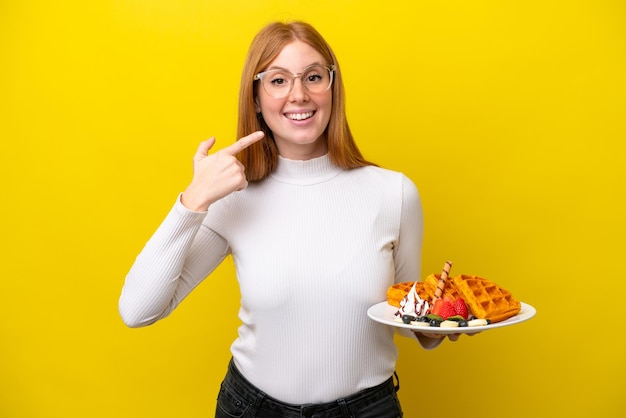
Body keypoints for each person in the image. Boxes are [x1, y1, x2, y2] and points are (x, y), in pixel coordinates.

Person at [119, 20, 461, 418]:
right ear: (257, 99)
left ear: (333, 88)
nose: (299, 95)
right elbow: (138, 309)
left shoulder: (394, 193)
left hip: (368, 410)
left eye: (314, 77)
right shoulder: (233, 198)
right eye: (278, 81)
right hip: (253, 408)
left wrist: (443, 324)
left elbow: (405, 319)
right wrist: (193, 199)